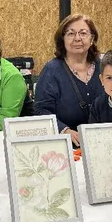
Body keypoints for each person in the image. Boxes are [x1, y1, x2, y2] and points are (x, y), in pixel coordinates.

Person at [35, 14, 105, 146]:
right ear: (63, 39)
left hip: (102, 142)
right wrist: (64, 130)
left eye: (83, 33)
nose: (77, 38)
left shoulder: (105, 67)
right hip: (65, 146)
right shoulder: (52, 70)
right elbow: (41, 110)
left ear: (92, 38)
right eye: (71, 33)